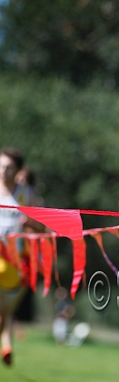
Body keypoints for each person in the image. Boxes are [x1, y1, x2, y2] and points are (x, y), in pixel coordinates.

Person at [0, 148, 43, 365]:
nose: (3, 172)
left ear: (17, 170)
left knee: (4, 312)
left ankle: (6, 342)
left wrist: (32, 223)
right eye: (1, 166)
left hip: (16, 260)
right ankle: (6, 344)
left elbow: (45, 229)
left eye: (8, 168)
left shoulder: (27, 195)